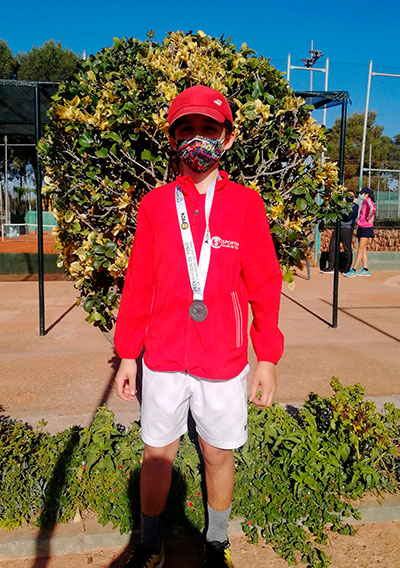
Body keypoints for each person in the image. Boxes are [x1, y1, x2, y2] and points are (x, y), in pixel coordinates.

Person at [113, 85, 284, 568]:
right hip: (163, 357)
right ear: (172, 140)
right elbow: (139, 284)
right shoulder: (155, 206)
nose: (198, 139)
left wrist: (265, 359)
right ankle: (149, 544)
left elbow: (265, 285)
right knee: (157, 456)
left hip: (224, 362)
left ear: (227, 138)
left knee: (217, 456)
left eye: (209, 129)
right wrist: (129, 353)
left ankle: (216, 542)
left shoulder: (247, 206)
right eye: (186, 129)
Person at [320, 192, 359, 274]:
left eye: (351, 196)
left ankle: (346, 269)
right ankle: (331, 267)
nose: (349, 197)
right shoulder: (341, 205)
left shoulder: (355, 206)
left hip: (347, 229)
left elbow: (348, 217)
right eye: (347, 196)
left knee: (347, 249)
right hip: (338, 228)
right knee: (332, 246)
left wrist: (340, 211)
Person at [343, 187, 376, 277]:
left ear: (367, 194)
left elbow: (373, 209)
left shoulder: (368, 200)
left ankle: (353, 270)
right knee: (363, 249)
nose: (360, 195)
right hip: (361, 227)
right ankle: (365, 269)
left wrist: (369, 217)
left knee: (360, 249)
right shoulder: (364, 202)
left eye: (362, 193)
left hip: (366, 228)